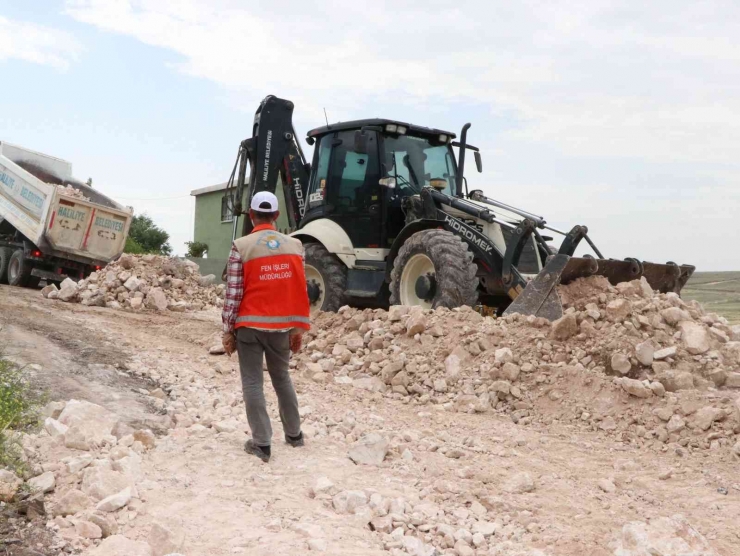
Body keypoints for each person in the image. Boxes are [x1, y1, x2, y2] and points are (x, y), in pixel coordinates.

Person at [221, 191, 310, 462]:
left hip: (250, 326)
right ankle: (294, 435)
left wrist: (228, 328)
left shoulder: (241, 245)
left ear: (250, 215)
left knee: (252, 382)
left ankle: (261, 444)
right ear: (277, 215)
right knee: (281, 377)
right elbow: (299, 289)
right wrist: (298, 329)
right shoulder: (295, 246)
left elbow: (234, 292)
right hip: (283, 327)